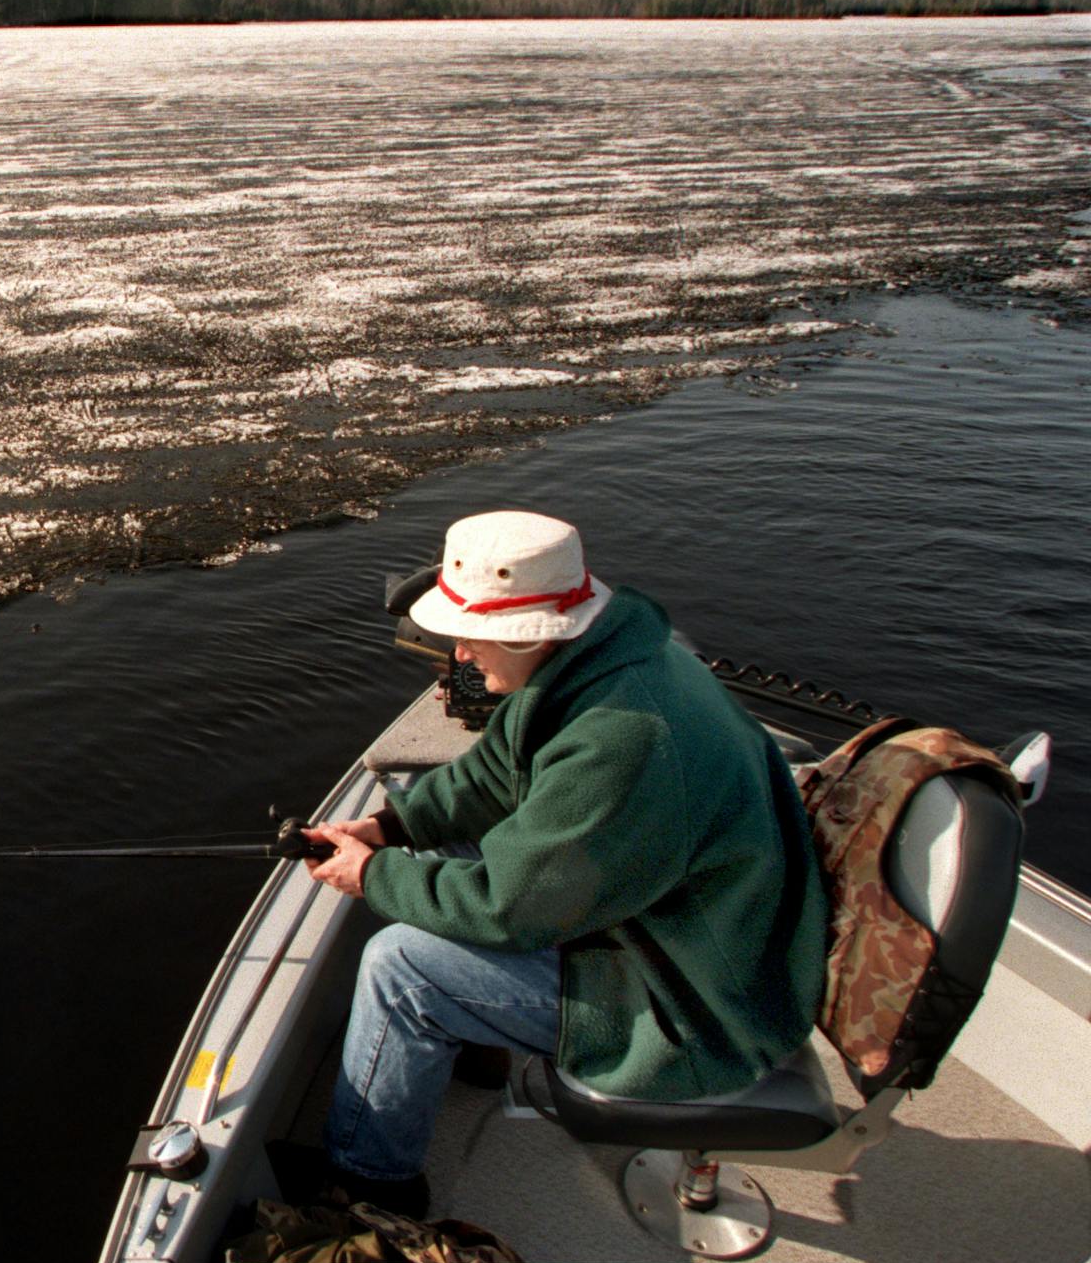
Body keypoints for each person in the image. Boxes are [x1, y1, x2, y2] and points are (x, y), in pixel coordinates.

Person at [295, 510, 826, 1218]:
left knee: (400, 969)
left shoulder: (622, 737)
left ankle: (370, 1182)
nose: (456, 655)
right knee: (437, 849)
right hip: (681, 928)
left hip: (696, 1000)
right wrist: (388, 827)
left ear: (529, 629)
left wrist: (370, 873)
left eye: (468, 634)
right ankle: (474, 1041)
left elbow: (504, 907)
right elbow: (489, 776)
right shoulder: (591, 664)